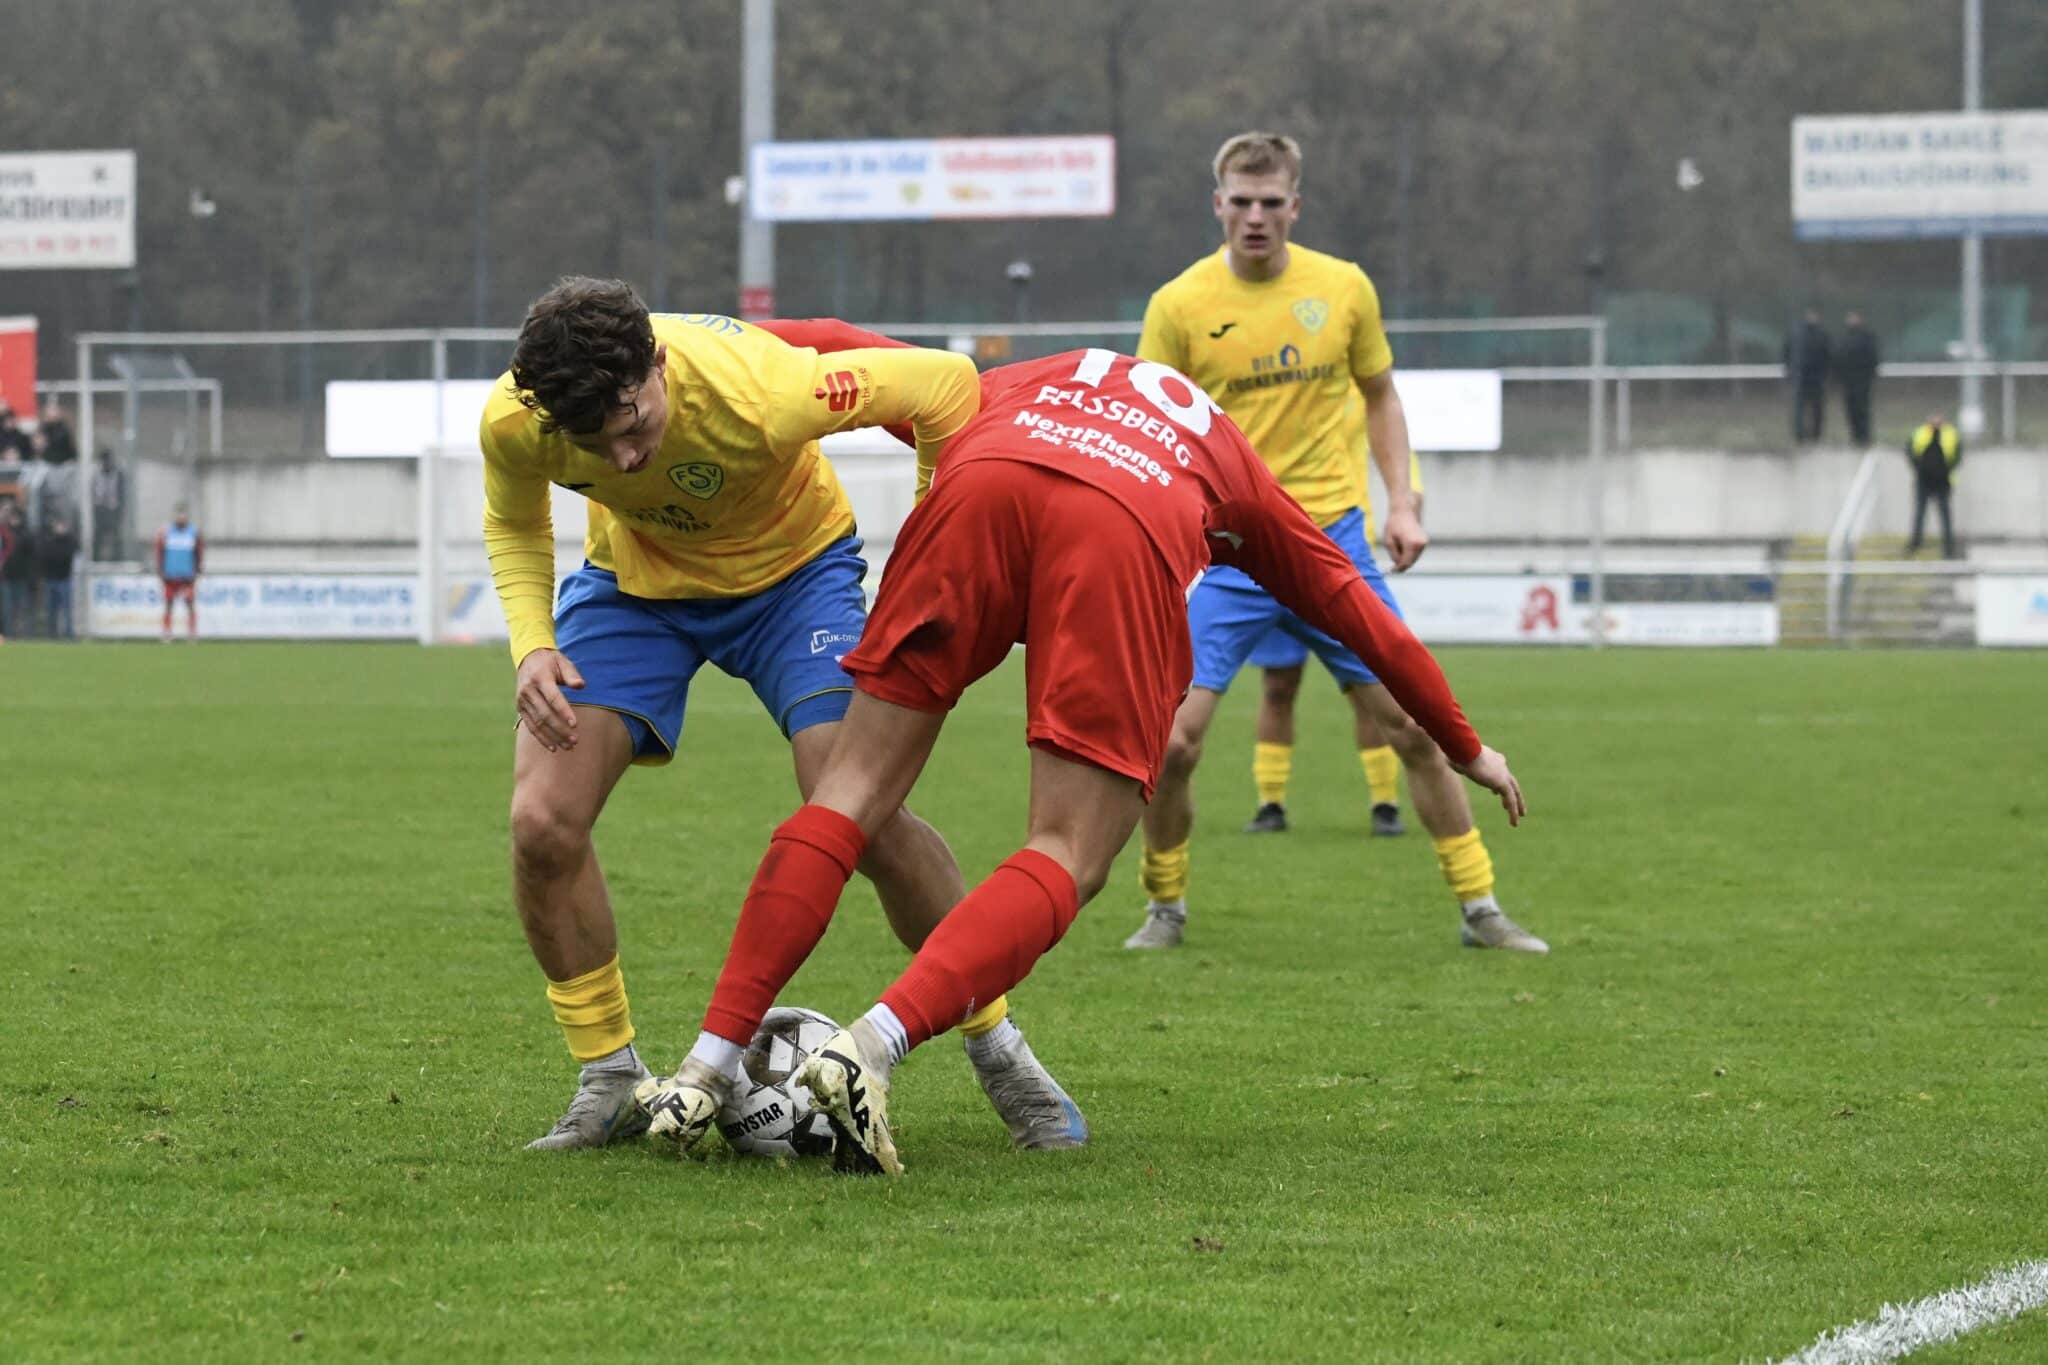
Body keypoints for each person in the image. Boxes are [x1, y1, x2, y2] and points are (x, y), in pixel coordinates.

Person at [630, 341, 1526, 1175]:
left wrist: (692, 339)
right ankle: (868, 1046)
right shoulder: (1224, 450)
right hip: (1118, 525)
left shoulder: (1020, 379)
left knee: (850, 785)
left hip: (976, 488)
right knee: (1067, 849)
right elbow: (1348, 600)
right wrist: (1464, 740)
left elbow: (834, 340)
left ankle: (704, 1067)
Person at [481, 278, 1084, 1153]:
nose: (622, 461)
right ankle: (608, 1077)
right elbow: (514, 517)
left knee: (859, 811)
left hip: (793, 581)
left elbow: (949, 384)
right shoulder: (520, 416)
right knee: (541, 820)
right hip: (634, 591)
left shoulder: (762, 389)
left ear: (658, 365)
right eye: (595, 444)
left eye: (635, 425)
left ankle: (999, 1047)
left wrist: (926, 550)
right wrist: (533, 643)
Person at [1123, 131, 1545, 955]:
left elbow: (1381, 397)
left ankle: (1480, 907)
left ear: (1294, 206)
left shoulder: (1344, 289)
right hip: (1229, 554)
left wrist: (1405, 502)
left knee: (1415, 728)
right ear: (1217, 206)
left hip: (1330, 541)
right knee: (1171, 741)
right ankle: (1164, 906)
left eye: (1270, 202)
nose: (1255, 217)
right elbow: (1153, 431)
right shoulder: (1177, 305)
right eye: (1240, 202)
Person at [1243, 415, 1424, 838]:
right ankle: (1271, 802)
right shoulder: (1280, 399)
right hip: (1271, 547)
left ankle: (1385, 802)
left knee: (1370, 690)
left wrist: (1407, 508)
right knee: (1278, 684)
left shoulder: (1359, 401)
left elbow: (1402, 466)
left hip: (1341, 550)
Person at [1905, 412, 1962, 559]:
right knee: (1920, 512)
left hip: (1943, 480)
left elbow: (1958, 454)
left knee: (1945, 514)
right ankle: (1915, 543)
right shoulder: (1920, 433)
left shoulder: (1951, 434)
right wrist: (1920, 469)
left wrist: (1947, 470)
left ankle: (1949, 546)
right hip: (1924, 480)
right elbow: (1910, 451)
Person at [154, 503, 203, 640]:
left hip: (187, 575)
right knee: (169, 604)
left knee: (190, 603)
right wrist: (160, 569)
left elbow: (199, 553)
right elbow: (159, 552)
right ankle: (167, 632)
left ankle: (192, 633)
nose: (181, 518)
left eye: (183, 515)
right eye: (179, 515)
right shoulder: (166, 532)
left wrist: (198, 569)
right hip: (170, 575)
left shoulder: (193, 533)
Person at [1784, 307, 1832, 444]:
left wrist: (1825, 373)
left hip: (1817, 378)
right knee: (1799, 407)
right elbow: (1787, 352)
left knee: (1817, 408)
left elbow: (1828, 355)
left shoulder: (1822, 334)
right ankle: (1800, 435)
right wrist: (1791, 370)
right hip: (1800, 377)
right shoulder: (1796, 333)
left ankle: (1816, 435)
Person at [1836, 312, 1880, 448]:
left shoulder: (1867, 338)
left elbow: (1873, 357)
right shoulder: (1844, 339)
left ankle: (1864, 436)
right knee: (1851, 409)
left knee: (1862, 408)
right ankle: (1855, 436)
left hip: (1862, 380)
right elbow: (1838, 358)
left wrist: (1869, 374)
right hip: (1848, 381)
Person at [1, 498, 40, 639]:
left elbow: (32, 554)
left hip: (22, 577)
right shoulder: (4, 532)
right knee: (8, 609)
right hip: (6, 577)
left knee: (23, 608)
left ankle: (26, 635)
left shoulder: (26, 533)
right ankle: (9, 634)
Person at [37, 514, 78, 639]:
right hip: (50, 579)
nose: (60, 528)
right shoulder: (49, 541)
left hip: (64, 578)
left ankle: (68, 633)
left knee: (67, 609)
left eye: (62, 526)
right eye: (58, 525)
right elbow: (44, 556)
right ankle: (52, 633)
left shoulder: (70, 541)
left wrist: (56, 557)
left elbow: (67, 556)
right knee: (51, 609)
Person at [91, 449, 126, 561]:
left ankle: (117, 559)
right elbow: (93, 492)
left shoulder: (118, 474)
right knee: (98, 535)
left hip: (113, 510)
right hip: (100, 510)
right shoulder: (97, 474)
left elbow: (122, 494)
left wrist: (119, 510)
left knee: (116, 535)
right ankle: (96, 559)